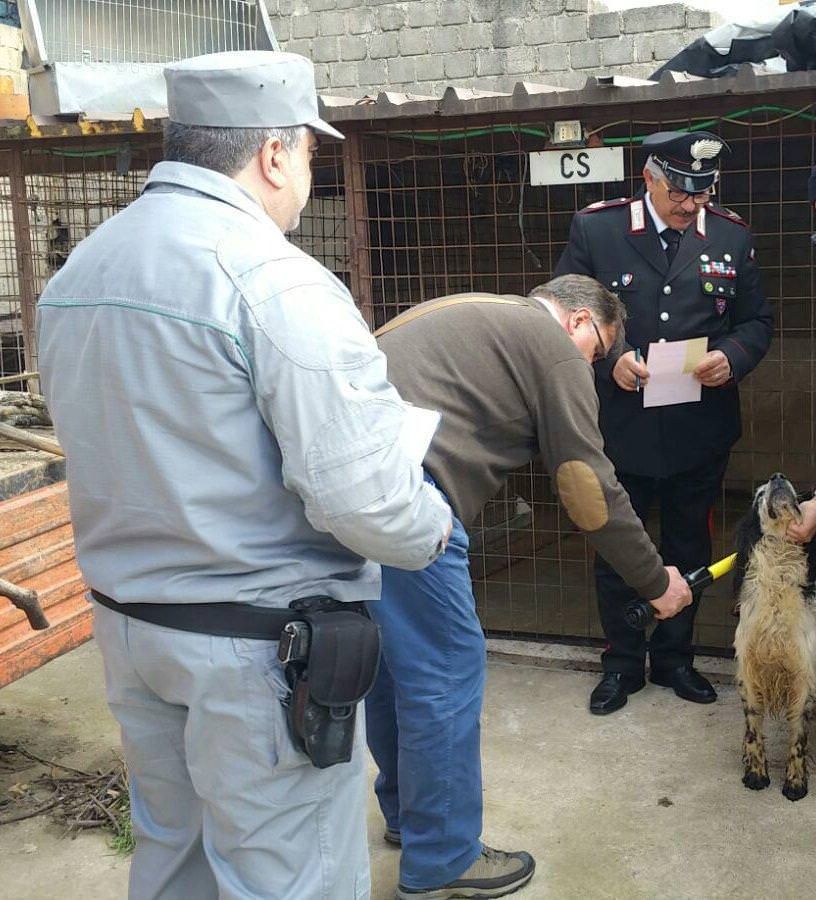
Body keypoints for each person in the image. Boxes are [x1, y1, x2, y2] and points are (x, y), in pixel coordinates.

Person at [36, 52, 452, 900]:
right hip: (258, 654)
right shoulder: (275, 280)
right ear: (272, 154)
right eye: (308, 154)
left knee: (173, 859)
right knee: (285, 879)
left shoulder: (81, 271)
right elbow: (364, 499)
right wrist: (431, 525)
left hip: (130, 627)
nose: (308, 176)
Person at [366, 274, 693, 900]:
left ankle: (412, 819)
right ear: (576, 321)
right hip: (408, 494)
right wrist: (656, 582)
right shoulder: (548, 344)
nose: (592, 367)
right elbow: (585, 486)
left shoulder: (477, 312)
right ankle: (442, 860)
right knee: (446, 667)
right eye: (597, 351)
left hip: (351, 484)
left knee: (394, 666)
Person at [554, 131, 773, 715]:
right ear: (649, 177)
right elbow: (561, 312)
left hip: (699, 428)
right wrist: (611, 356)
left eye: (702, 193)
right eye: (680, 191)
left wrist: (735, 357)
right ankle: (622, 663)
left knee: (688, 541)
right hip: (621, 425)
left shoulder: (732, 235)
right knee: (618, 545)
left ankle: (676, 658)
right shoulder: (598, 229)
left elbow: (757, 321)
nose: (690, 204)